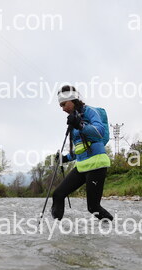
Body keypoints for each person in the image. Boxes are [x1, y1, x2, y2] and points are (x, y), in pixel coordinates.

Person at [51, 85, 114, 221]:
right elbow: (79, 149)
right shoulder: (72, 119)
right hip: (81, 166)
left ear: (73, 100)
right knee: (58, 195)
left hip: (97, 164)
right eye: (60, 106)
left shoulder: (90, 112)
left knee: (93, 207)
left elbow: (100, 132)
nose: (63, 109)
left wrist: (80, 125)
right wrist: (65, 158)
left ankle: (112, 228)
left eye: (64, 104)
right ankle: (55, 231)